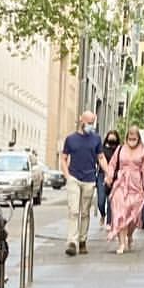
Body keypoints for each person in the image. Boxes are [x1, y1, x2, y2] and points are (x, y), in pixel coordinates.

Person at [59, 110, 101, 256]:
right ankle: (72, 242)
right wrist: (67, 176)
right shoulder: (71, 139)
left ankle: (82, 240)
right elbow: (63, 158)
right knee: (74, 211)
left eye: (92, 123)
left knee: (85, 212)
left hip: (89, 179)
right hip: (74, 178)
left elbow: (101, 157)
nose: (90, 125)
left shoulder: (96, 139)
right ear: (81, 120)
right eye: (88, 122)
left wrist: (108, 171)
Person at [106, 124, 144, 255]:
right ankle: (121, 243)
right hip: (121, 184)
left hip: (135, 186)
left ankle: (130, 234)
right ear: (126, 137)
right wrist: (109, 177)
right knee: (120, 213)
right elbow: (112, 164)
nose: (132, 140)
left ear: (138, 138)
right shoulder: (120, 149)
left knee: (133, 216)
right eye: (130, 138)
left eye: (134, 138)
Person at [95, 127, 121, 224]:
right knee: (101, 201)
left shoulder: (119, 150)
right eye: (110, 139)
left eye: (114, 139)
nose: (112, 141)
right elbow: (98, 160)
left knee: (111, 200)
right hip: (102, 175)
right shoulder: (102, 149)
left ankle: (109, 222)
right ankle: (103, 214)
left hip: (115, 176)